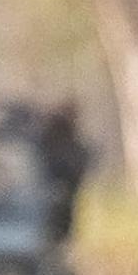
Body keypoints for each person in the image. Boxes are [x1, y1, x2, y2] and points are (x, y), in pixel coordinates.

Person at [36, 99, 92, 238]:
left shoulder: (73, 145)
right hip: (43, 201)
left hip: (62, 200)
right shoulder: (44, 141)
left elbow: (78, 167)